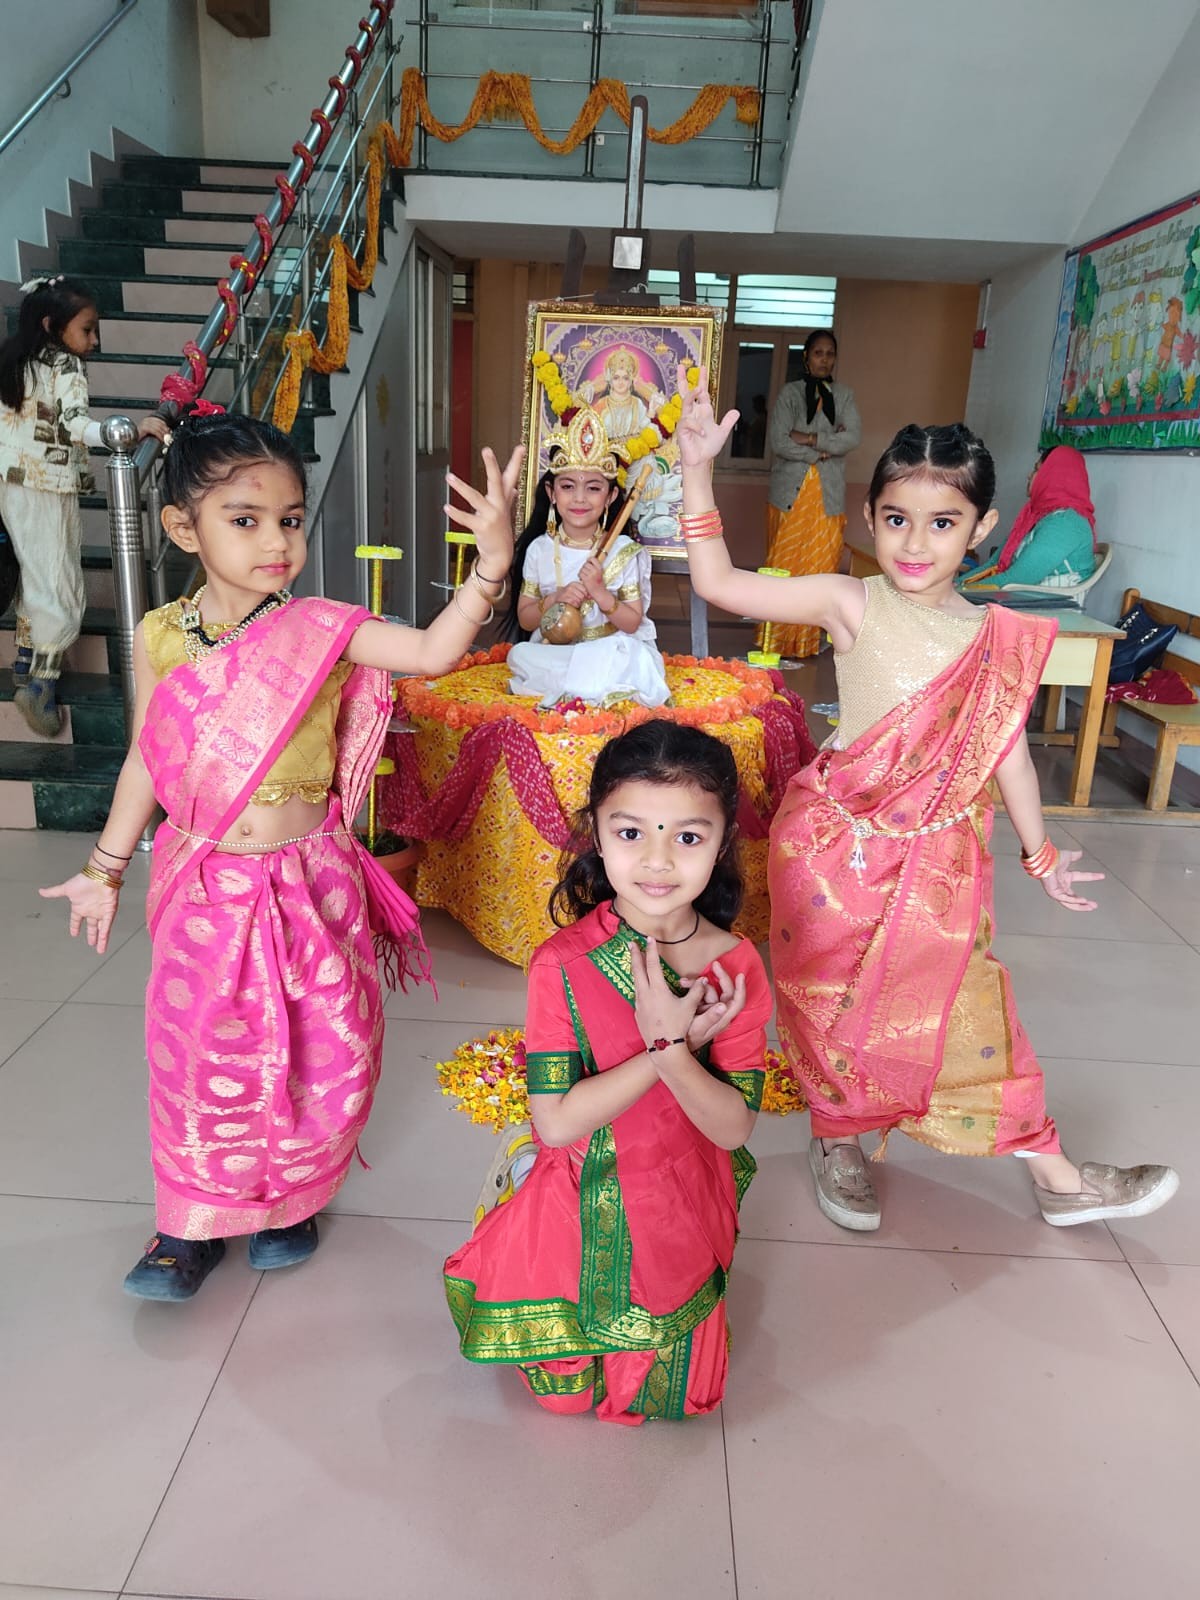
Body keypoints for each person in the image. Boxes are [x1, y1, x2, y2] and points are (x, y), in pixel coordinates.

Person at [673, 379, 1178, 1233]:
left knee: (968, 1004)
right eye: (896, 519)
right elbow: (720, 582)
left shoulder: (993, 638)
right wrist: (695, 471)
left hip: (941, 861)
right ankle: (837, 1140)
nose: (915, 543)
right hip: (833, 851)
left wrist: (1042, 854)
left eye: (943, 523)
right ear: (870, 519)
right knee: (828, 1001)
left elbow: (1007, 752)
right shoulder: (849, 600)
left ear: (980, 528)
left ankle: (1057, 1176)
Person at [40, 410, 522, 1301]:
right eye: (246, 519)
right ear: (183, 527)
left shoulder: (323, 629)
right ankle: (187, 1227)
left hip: (312, 880)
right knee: (199, 1057)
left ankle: (289, 1199)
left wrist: (491, 565)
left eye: (291, 519)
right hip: (206, 883)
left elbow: (431, 651)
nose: (277, 542)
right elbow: (147, 756)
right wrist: (105, 868)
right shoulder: (160, 636)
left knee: (317, 1048)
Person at [444, 720, 772, 1424]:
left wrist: (674, 1053)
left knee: (682, 1400)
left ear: (722, 843)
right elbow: (558, 1123)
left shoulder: (735, 966)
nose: (657, 861)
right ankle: (523, 1189)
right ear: (595, 832)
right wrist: (663, 1049)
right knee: (563, 1401)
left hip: (680, 1194)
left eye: (688, 837)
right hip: (580, 1192)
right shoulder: (561, 964)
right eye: (631, 833)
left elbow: (733, 1129)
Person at [0, 275, 166, 735]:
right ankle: (41, 683)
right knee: (61, 582)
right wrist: (126, 432)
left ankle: (26, 660)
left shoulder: (15, 359)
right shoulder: (66, 365)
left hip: (12, 484)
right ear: (51, 325)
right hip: (47, 487)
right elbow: (74, 425)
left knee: (36, 572)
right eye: (87, 329)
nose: (94, 341)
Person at [505, 405, 669, 708]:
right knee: (520, 655)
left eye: (593, 488)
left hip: (607, 650)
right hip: (558, 652)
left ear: (610, 496)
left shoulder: (622, 550)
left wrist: (600, 592)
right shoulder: (539, 549)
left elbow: (632, 623)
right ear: (552, 493)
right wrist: (555, 599)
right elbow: (526, 620)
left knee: (632, 655)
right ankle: (588, 688)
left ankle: (577, 688)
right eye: (568, 486)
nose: (579, 498)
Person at [761, 330, 861, 658]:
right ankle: (775, 641)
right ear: (806, 356)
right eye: (818, 353)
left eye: (830, 354)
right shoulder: (790, 394)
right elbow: (779, 440)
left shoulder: (843, 396)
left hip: (828, 497)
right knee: (783, 568)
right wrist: (820, 453)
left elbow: (852, 437)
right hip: (788, 495)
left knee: (821, 568)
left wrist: (810, 438)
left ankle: (806, 642)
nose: (824, 359)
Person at [962, 444, 1098, 591]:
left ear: (1052, 475)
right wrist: (956, 585)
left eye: (1036, 469)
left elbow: (1015, 580)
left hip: (1044, 604)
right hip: (1016, 596)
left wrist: (958, 591)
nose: (1029, 475)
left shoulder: (1067, 523)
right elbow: (993, 564)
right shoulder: (1034, 517)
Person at [575, 345, 664, 447]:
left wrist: (651, 412)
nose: (620, 382)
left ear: (631, 381)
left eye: (625, 378)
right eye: (616, 378)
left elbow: (645, 430)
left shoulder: (637, 403)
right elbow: (591, 433)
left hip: (634, 452)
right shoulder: (601, 404)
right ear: (610, 380)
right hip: (605, 453)